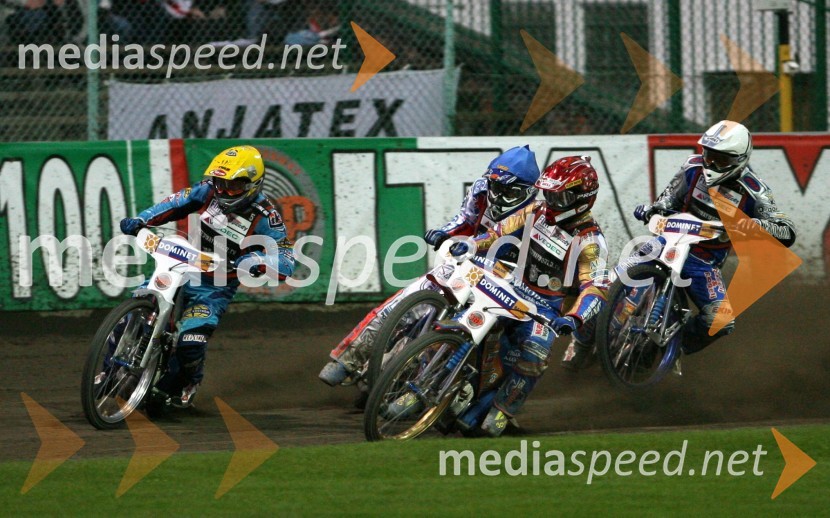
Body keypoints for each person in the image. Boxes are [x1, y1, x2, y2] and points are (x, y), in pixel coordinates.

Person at [318, 145, 541, 390]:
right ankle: (348, 358)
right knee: (408, 298)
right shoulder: (480, 189)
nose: (497, 195)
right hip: (468, 262)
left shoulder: (539, 216)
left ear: (527, 191)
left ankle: (426, 384)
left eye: (507, 190)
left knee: (479, 336)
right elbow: (464, 220)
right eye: (495, 186)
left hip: (505, 283)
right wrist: (444, 233)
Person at [445, 155, 610, 437]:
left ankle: (501, 412)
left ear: (582, 197)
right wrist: (471, 245)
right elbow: (498, 232)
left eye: (558, 197)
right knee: (458, 310)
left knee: (535, 351)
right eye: (548, 193)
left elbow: (595, 289)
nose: (551, 202)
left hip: (544, 308)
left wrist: (574, 318)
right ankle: (427, 369)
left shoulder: (591, 240)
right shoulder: (535, 210)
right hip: (506, 284)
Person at [118, 145, 295, 406]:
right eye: (220, 183)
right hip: (179, 263)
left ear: (253, 184)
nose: (223, 192)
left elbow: (286, 261)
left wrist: (255, 261)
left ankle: (186, 383)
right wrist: (142, 220)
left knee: (191, 341)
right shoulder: (207, 189)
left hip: (215, 283)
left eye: (233, 186)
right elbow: (175, 202)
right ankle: (107, 370)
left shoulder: (266, 216)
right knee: (133, 311)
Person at [633, 120, 796, 356]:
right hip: (667, 243)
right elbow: (668, 198)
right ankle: (590, 333)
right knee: (619, 275)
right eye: (708, 155)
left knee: (721, 321)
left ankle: (667, 352)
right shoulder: (692, 167)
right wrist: (653, 209)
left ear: (739, 159)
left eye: (720, 159)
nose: (710, 163)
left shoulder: (754, 190)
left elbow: (787, 230)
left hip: (704, 261)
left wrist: (754, 225)